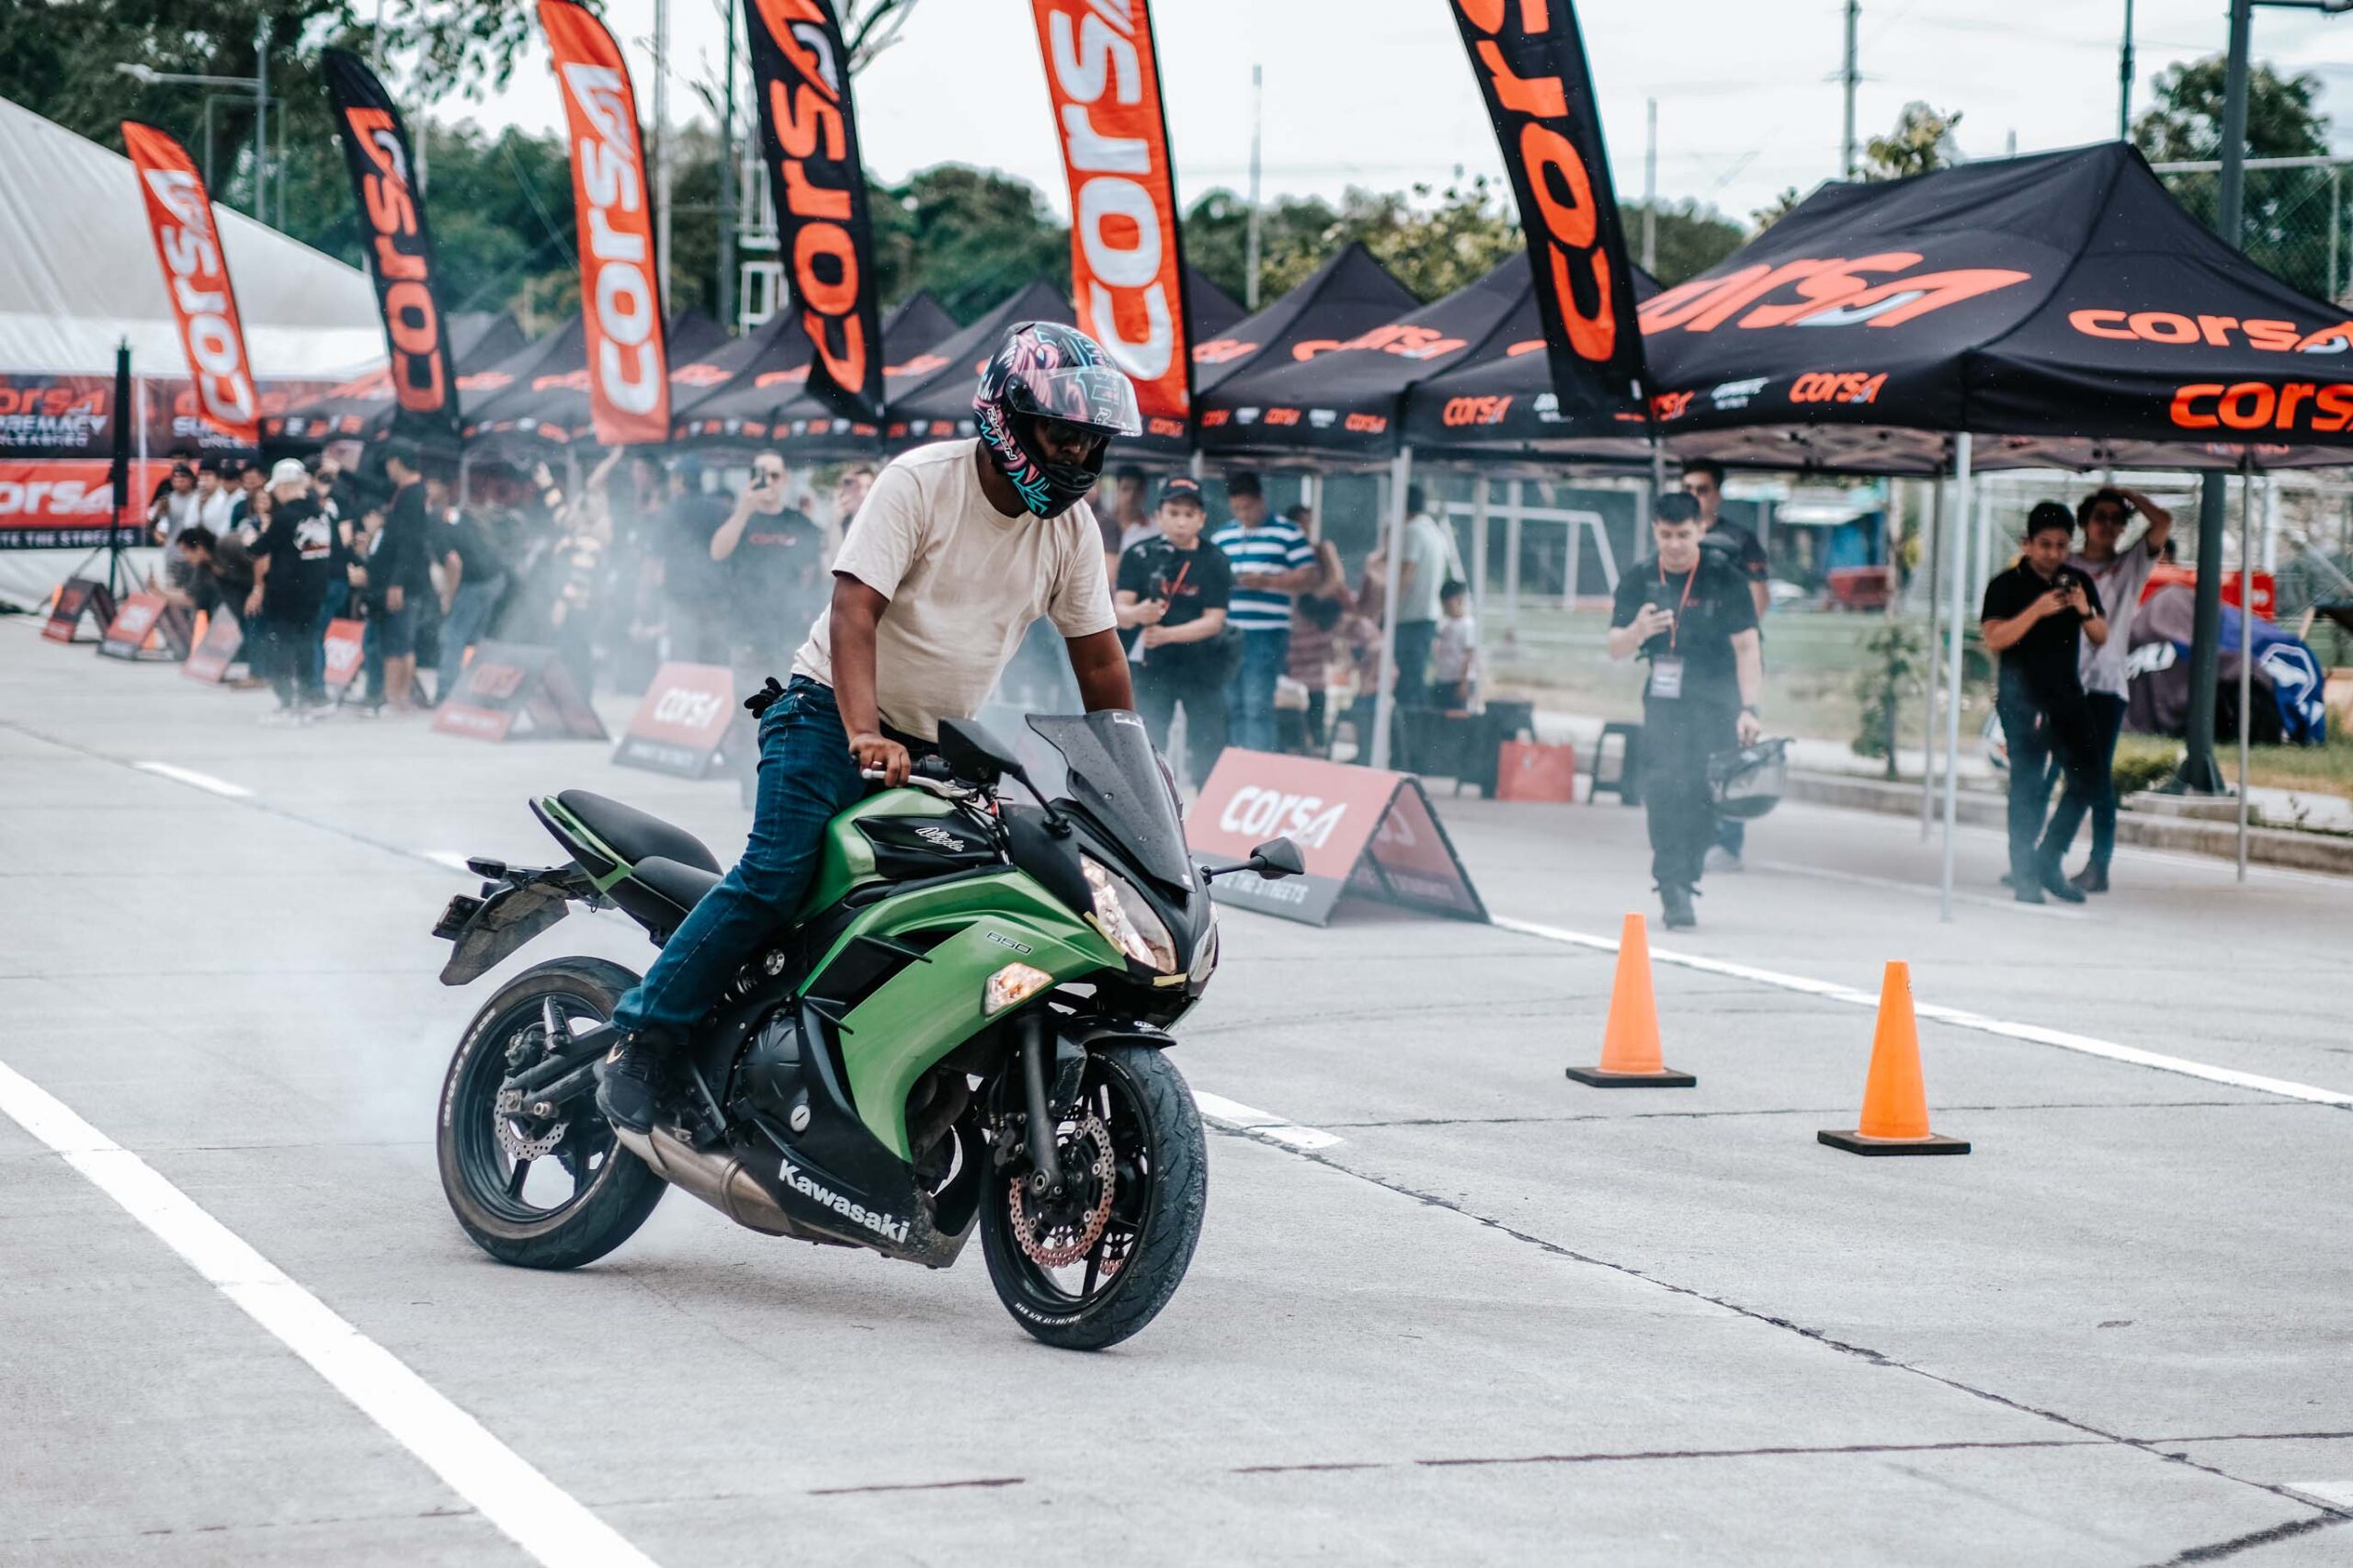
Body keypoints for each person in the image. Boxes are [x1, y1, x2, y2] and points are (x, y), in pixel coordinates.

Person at [597, 321, 1140, 1133]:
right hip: (824, 716)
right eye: (1062, 434)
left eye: (1090, 441)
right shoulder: (921, 483)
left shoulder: (1069, 532)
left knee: (959, 903)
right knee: (776, 877)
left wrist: (1137, 781)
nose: (1076, 456)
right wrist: (862, 732)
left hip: (937, 745)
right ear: (1007, 418)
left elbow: (1099, 664)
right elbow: (855, 611)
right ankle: (643, 1035)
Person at [1607, 492, 1763, 931]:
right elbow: (1615, 647)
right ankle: (1671, 882)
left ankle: (1689, 871)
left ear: (1700, 531)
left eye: (1683, 535)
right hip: (1664, 697)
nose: (1674, 544)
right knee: (1662, 787)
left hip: (1717, 698)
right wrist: (1637, 631)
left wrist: (1750, 708)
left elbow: (1748, 648)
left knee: (1702, 791)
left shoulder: (1724, 579)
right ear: (1655, 531)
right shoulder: (1639, 578)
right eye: (1666, 535)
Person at [1981, 502, 2109, 904]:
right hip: (2022, 700)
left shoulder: (2077, 582)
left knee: (2090, 779)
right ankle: (2023, 874)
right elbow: (1995, 638)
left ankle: (2049, 859)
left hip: (2067, 697)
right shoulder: (2006, 585)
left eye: (2060, 546)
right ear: (2027, 543)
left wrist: (2082, 609)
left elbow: (2101, 635)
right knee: (2029, 786)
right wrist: (2036, 610)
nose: (2053, 554)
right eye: (2045, 545)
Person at [2060, 486, 2173, 893]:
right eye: (2099, 517)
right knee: (2063, 774)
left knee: (2095, 779)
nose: (2108, 525)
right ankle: (2040, 858)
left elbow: (2162, 522)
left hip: (2106, 688)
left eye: (2115, 518)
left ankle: (2097, 864)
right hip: (2065, 685)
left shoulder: (2130, 566)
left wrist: (2123, 492)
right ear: (2085, 524)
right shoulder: (2065, 566)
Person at [1681, 459, 1770, 871]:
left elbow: (1758, 600)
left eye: (1702, 489)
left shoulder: (1740, 539)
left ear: (1716, 493)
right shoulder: (1677, 538)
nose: (1695, 497)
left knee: (1733, 747)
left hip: (1732, 657)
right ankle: (1692, 830)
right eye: (1688, 489)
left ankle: (1729, 839)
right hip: (1690, 661)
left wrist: (1734, 631)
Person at [1116, 476, 1232, 788]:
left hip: (1202, 666)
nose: (1181, 521)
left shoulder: (1215, 559)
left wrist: (1169, 634)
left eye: (1189, 514)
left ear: (1202, 519)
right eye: (1174, 512)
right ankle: (1149, 796)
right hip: (1153, 665)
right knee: (1148, 737)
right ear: (1160, 515)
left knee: (1208, 738)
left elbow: (1214, 620)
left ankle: (1209, 797)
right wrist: (1138, 614)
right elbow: (1119, 610)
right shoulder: (1139, 555)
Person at [1210, 472, 1317, 754]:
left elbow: (1309, 576)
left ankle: (1257, 765)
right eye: (1237, 509)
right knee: (1233, 703)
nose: (1244, 514)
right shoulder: (1223, 536)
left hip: (1267, 631)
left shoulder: (1287, 533)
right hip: (1231, 630)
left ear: (1262, 500)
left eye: (1249, 507)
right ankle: (1237, 762)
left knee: (1258, 703)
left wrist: (1267, 581)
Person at [711, 450, 828, 673]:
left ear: (785, 480)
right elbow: (717, 552)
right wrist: (743, 510)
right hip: (746, 630)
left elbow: (816, 572)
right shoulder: (741, 519)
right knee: (749, 702)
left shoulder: (800, 523)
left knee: (788, 702)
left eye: (774, 475)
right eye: (760, 474)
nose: (768, 482)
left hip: (791, 632)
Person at [247, 459, 335, 721]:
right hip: (315, 591)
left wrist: (254, 537)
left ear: (285, 486)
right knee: (307, 644)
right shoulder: (321, 514)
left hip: (286, 594)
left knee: (281, 647)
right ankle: (310, 697)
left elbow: (256, 549)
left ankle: (288, 700)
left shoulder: (284, 517)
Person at [371, 441, 433, 712]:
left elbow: (410, 543)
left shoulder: (412, 496)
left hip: (404, 582)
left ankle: (395, 697)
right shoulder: (407, 492)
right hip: (408, 580)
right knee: (403, 642)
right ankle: (401, 698)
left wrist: (397, 582)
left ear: (396, 462)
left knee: (396, 643)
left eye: (388, 463)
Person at [1283, 510, 1350, 756]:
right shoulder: (1283, 550)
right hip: (1292, 626)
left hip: (1315, 623)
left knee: (1316, 685)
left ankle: (1318, 741)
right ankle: (1295, 742)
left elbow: (1336, 579)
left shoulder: (1321, 550)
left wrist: (1310, 600)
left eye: (1307, 524)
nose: (1304, 529)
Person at [437, 487, 511, 701]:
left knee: (454, 634)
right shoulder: (462, 517)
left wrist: (448, 597)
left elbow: (453, 562)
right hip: (495, 578)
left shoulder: (438, 524)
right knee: (475, 637)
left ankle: (446, 691)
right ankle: (480, 690)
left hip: (477, 581)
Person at [1391, 484, 1457, 710]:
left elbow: (1407, 574)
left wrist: (1387, 608)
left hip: (1410, 617)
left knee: (1407, 684)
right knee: (1415, 679)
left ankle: (1410, 736)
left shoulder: (1413, 532)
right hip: (1427, 616)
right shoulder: (1434, 531)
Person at [1430, 580, 1479, 710]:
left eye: (1449, 605)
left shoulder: (1467, 625)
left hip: (1459, 680)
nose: (1446, 608)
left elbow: (1469, 654)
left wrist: (1464, 682)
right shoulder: (1444, 624)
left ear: (1460, 600)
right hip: (1444, 678)